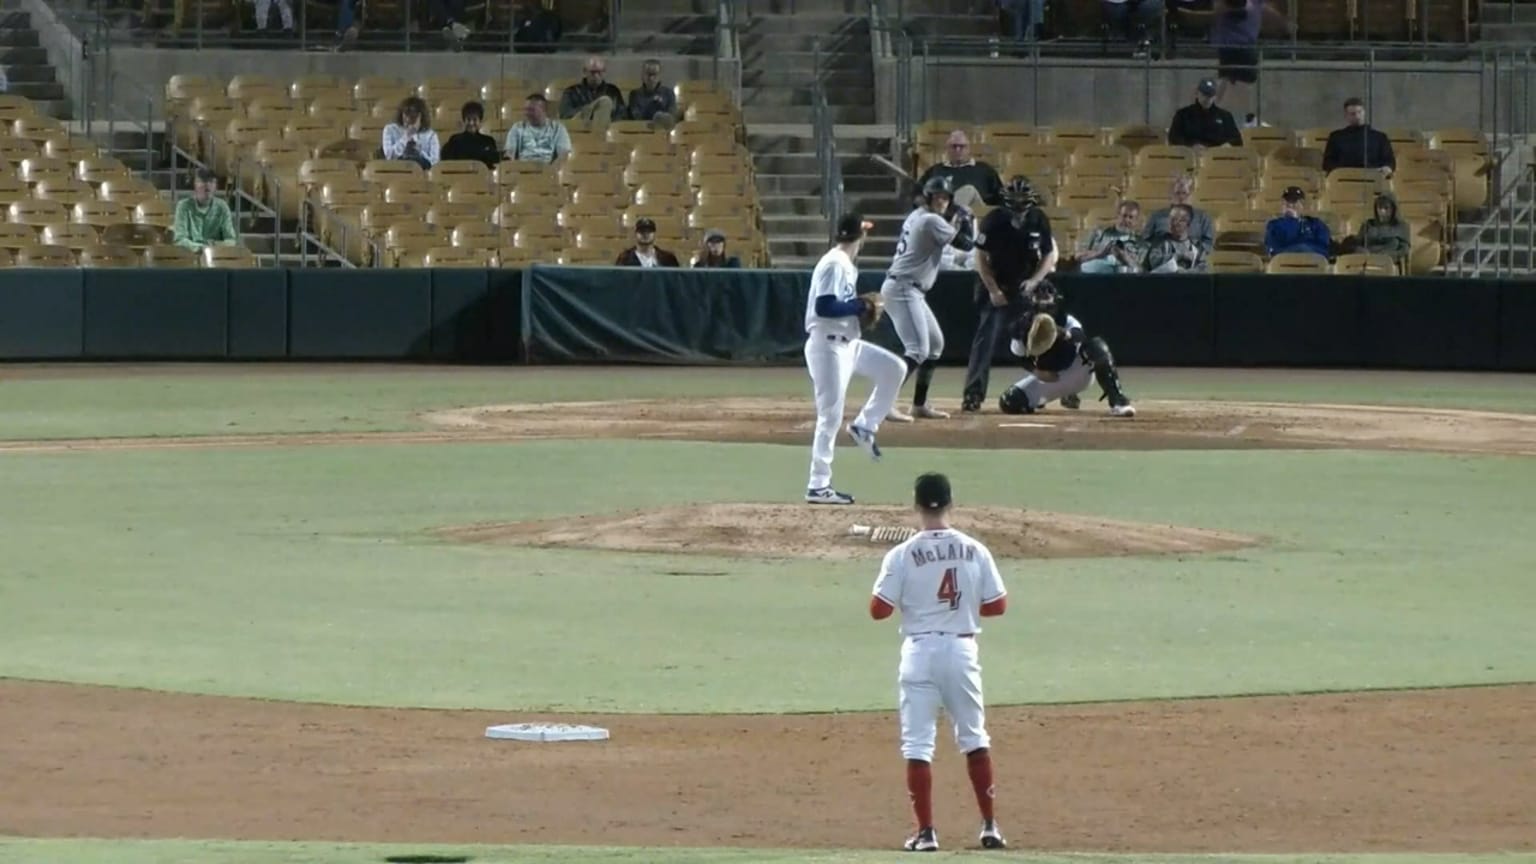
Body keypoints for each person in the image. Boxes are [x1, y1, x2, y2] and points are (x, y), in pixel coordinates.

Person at [869, 472, 1009, 853]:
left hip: (919, 652)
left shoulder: (901, 554)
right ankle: (990, 826)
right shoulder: (975, 549)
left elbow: (878, 610)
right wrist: (961, 608)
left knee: (918, 745)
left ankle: (926, 833)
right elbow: (997, 604)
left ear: (916, 505)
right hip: (963, 651)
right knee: (974, 737)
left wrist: (916, 603)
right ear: (950, 503)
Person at [803, 214, 906, 505]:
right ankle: (818, 484)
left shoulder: (844, 264)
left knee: (893, 368)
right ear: (859, 236)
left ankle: (865, 426)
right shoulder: (835, 263)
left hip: (848, 344)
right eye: (865, 232)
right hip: (828, 347)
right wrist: (859, 304)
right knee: (830, 416)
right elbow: (825, 306)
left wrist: (856, 306)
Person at [881, 175, 976, 423]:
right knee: (918, 349)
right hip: (903, 288)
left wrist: (958, 219)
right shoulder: (930, 220)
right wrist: (965, 221)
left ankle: (919, 405)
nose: (942, 201)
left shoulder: (919, 217)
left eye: (945, 197)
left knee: (934, 346)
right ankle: (884, 403)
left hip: (909, 289)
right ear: (927, 198)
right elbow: (966, 244)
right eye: (937, 197)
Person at [960, 175, 1057, 413]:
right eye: (1014, 204)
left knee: (1042, 336)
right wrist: (993, 290)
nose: (1019, 212)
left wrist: (1035, 281)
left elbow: (1048, 255)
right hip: (995, 281)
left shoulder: (1038, 219)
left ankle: (1058, 389)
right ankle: (973, 394)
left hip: (1025, 283)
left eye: (1023, 205)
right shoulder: (993, 221)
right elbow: (980, 258)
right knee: (986, 339)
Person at [998, 294, 1137, 417]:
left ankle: (1118, 401)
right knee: (1010, 401)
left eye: (1047, 300)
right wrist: (1036, 371)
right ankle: (1049, 397)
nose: (1044, 308)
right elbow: (1018, 355)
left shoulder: (1066, 320)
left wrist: (1062, 333)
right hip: (1051, 378)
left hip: (1076, 371)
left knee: (1097, 346)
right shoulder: (1021, 327)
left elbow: (1080, 336)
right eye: (1039, 301)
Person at [913, 130, 1005, 209]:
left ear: (968, 149)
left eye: (962, 146)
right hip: (939, 211)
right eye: (954, 146)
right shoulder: (936, 170)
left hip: (978, 215)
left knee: (969, 191)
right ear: (947, 149)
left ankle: (948, 218)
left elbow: (1000, 197)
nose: (958, 150)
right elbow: (917, 195)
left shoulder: (984, 170)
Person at [1140, 174, 1214, 256]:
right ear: (1171, 194)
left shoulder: (1202, 217)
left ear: (1191, 194)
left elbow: (1208, 243)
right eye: (1178, 193)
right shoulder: (1157, 216)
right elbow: (1145, 240)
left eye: (1185, 193)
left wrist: (1194, 253)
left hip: (1192, 261)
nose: (1181, 197)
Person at [1322, 96, 1396, 177]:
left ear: (1364, 112)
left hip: (1373, 180)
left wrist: (1387, 168)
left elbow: (1389, 161)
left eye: (1359, 112)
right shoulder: (1336, 137)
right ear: (1346, 116)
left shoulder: (1380, 137)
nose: (1357, 116)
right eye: (1353, 114)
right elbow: (1327, 163)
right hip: (1344, 179)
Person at [172, 168, 240, 253]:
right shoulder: (183, 206)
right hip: (190, 256)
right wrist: (201, 248)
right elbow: (179, 240)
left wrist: (214, 246)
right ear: (195, 185)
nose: (207, 185)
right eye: (203, 182)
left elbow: (231, 240)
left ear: (216, 187)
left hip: (216, 256)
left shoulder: (222, 207)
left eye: (211, 182)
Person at [1166, 79, 1243, 149]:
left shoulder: (1225, 116)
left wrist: (1227, 145)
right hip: (1192, 156)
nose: (1207, 98)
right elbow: (1173, 137)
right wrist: (1190, 145)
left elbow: (1237, 139)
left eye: (1210, 95)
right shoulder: (1183, 114)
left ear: (1215, 97)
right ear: (1197, 94)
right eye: (1204, 94)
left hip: (1217, 157)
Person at [1077, 200, 1147, 274]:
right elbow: (1078, 258)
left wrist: (1125, 257)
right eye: (1124, 216)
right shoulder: (1099, 233)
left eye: (1131, 217)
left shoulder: (1141, 242)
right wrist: (1101, 253)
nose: (1126, 220)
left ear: (1136, 220)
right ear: (1118, 216)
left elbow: (1142, 270)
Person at [559, 56, 626, 130]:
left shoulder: (613, 91)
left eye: (599, 72)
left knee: (605, 103)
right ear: (585, 71)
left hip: (607, 130)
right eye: (593, 72)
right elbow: (565, 115)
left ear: (604, 72)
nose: (596, 76)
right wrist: (591, 111)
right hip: (580, 129)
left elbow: (622, 115)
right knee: (605, 102)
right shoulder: (571, 92)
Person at [503, 94, 572, 165]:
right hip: (523, 169)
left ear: (543, 109)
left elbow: (563, 155)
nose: (527, 113)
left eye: (531, 110)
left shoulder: (558, 128)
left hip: (548, 170)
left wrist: (552, 171)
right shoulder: (517, 127)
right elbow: (510, 152)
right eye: (526, 109)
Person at [1264, 186, 1331, 257]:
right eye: (1286, 202)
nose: (1290, 205)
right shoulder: (1274, 225)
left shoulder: (1316, 224)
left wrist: (1302, 247)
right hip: (1285, 263)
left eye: (1294, 202)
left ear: (1302, 205)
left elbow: (1324, 249)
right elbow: (1274, 250)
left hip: (1312, 264)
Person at [1143, 204, 1207, 272]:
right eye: (1172, 219)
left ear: (1188, 223)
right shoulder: (1160, 242)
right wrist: (1177, 256)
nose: (1174, 223)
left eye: (1180, 220)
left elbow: (1203, 268)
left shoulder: (1197, 246)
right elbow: (1153, 261)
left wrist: (1188, 273)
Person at [381, 96, 440, 170]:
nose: (408, 119)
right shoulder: (390, 129)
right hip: (397, 171)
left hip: (422, 173)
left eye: (413, 115)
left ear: (421, 116)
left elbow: (435, 163)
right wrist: (406, 136)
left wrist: (420, 152)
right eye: (406, 114)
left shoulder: (431, 135)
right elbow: (389, 156)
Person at [440, 101, 501, 168]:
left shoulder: (489, 141)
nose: (471, 123)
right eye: (468, 120)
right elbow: (449, 164)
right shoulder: (455, 140)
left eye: (475, 120)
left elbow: (494, 164)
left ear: (480, 121)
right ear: (464, 121)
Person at [1356, 192, 1410, 265]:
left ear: (1393, 209)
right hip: (1368, 260)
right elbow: (1358, 244)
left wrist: (1391, 256)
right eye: (1380, 208)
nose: (1382, 211)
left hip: (1389, 261)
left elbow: (1404, 250)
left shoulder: (1401, 226)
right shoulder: (1368, 224)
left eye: (1386, 208)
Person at [627, 59, 678, 129]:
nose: (651, 78)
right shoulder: (635, 94)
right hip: (642, 131)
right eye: (648, 74)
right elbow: (636, 117)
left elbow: (672, 115)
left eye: (655, 75)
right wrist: (652, 106)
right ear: (642, 75)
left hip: (665, 132)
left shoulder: (668, 93)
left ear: (660, 76)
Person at [615, 217, 680, 267]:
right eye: (642, 231)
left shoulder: (668, 258)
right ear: (636, 234)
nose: (645, 234)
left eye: (649, 231)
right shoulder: (625, 258)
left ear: (654, 234)